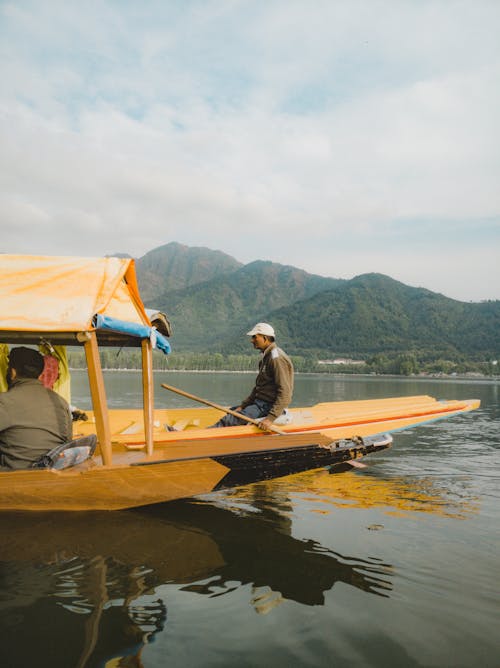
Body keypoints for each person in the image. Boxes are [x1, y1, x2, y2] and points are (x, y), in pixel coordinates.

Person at [0, 346, 73, 470]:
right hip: (52, 476)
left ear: (13, 372)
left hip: (14, 478)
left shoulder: (4, 401)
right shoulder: (61, 402)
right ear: (39, 374)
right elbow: (67, 441)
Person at [210, 322, 294, 430]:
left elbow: (285, 393)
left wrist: (270, 418)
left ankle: (202, 436)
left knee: (229, 421)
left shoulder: (276, 358)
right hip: (259, 403)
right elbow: (258, 388)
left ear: (265, 338)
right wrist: (243, 406)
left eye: (255, 337)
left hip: (267, 406)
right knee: (231, 412)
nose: (252, 340)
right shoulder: (266, 357)